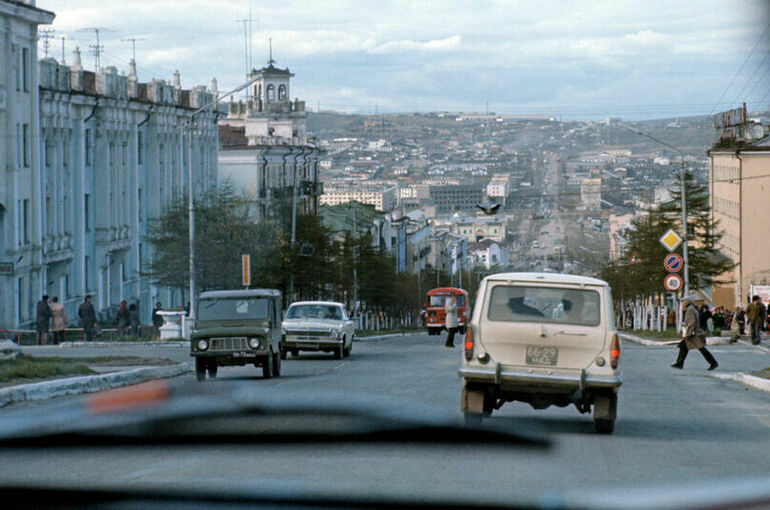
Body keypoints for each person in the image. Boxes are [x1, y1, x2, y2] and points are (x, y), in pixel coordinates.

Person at [671, 296, 718, 371]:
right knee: (684, 346)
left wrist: (688, 333)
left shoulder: (690, 310)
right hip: (694, 332)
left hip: (694, 333)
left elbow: (692, 322)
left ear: (687, 302)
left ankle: (713, 362)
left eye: (683, 302)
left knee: (701, 348)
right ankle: (679, 363)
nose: (682, 303)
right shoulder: (691, 309)